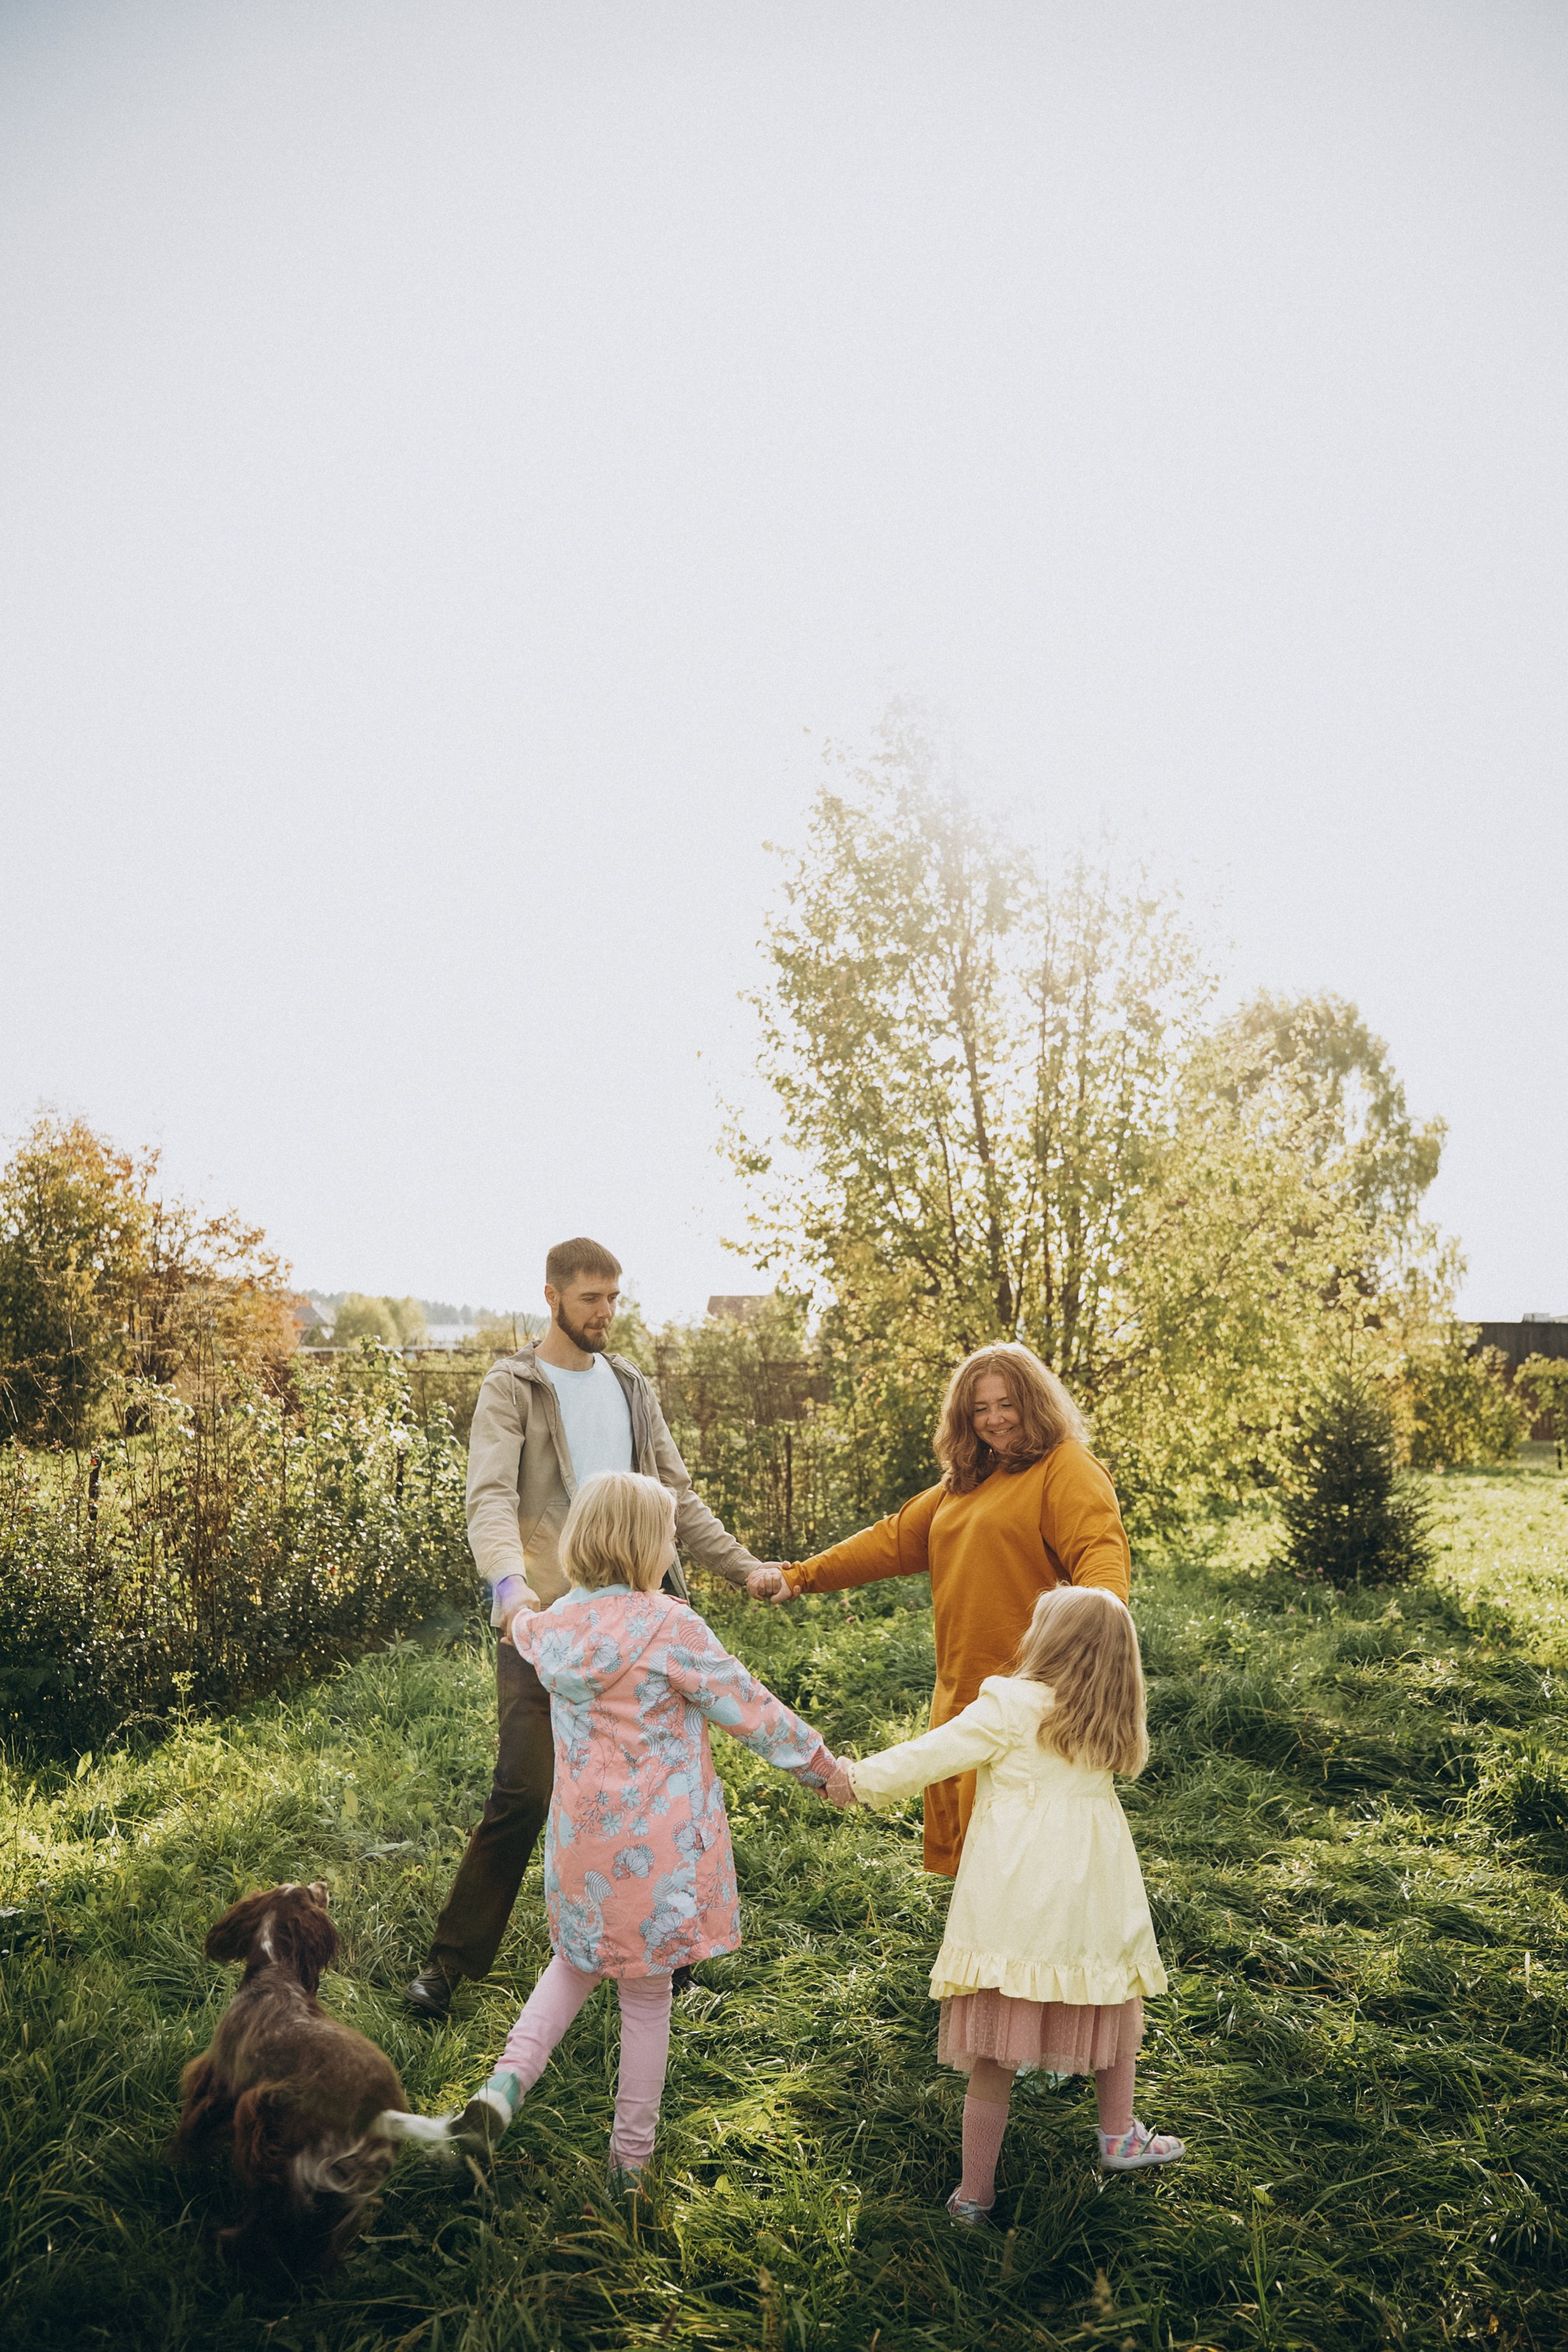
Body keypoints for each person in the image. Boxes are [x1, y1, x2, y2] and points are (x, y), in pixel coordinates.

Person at [406, 1237, 773, 2019]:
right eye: (590, 1299)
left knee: (663, 1800)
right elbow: (489, 1498)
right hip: (545, 1626)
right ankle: (449, 1964)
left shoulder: (632, 1386)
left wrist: (743, 1568)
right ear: (552, 1297)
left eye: (613, 1297)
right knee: (525, 1788)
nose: (606, 1313)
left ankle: (667, 1962)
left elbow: (677, 1496)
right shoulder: (514, 1387)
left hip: (643, 1628)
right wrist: (511, 1593)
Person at [445, 1469, 837, 2191]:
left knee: (569, 1967)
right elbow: (749, 1707)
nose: (670, 1548)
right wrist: (822, 1767)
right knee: (647, 2001)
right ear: (640, 1545)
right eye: (666, 1536)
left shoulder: (554, 1628)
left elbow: (519, 1625)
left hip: (580, 1852)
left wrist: (512, 1603)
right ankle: (629, 2163)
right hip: (656, 1861)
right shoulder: (671, 1627)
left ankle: (502, 2086)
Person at [824, 1584, 1181, 2223]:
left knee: (993, 2052)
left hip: (1018, 1906)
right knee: (1109, 2008)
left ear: (1049, 1644)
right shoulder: (1107, 1716)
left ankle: (975, 2194)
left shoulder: (1012, 1705)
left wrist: (857, 1780)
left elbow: (931, 1755)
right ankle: (1119, 2136)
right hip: (1093, 1904)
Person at [748, 1342, 1131, 1874]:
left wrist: (1100, 1644)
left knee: (1022, 1859)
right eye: (980, 1409)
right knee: (974, 1857)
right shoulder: (969, 1481)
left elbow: (1101, 1554)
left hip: (1031, 1694)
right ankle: (976, 1955)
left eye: (1007, 1404)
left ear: (1035, 1402)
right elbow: (889, 1541)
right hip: (961, 1687)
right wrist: (799, 1578)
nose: (994, 1419)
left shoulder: (1066, 1467)